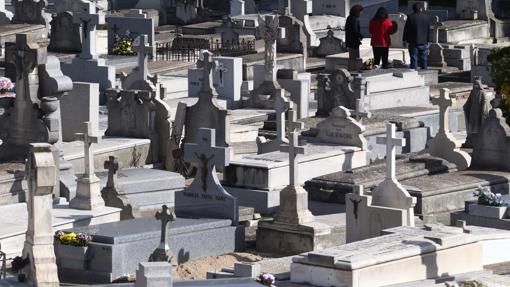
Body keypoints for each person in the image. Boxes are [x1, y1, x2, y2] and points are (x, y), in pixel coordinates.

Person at [403, 2, 431, 70]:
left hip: (413, 41)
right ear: (421, 9)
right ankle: (425, 72)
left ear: (413, 9)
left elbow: (406, 29)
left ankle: (414, 72)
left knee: (413, 58)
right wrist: (429, 40)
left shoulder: (410, 17)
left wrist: (404, 40)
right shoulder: (426, 17)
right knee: (423, 58)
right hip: (423, 41)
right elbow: (428, 30)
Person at [345, 4, 364, 72]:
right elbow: (354, 30)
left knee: (352, 58)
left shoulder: (349, 18)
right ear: (357, 11)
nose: (361, 13)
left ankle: (351, 70)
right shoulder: (354, 19)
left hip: (350, 41)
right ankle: (352, 71)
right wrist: (360, 36)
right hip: (353, 42)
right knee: (353, 58)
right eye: (361, 11)